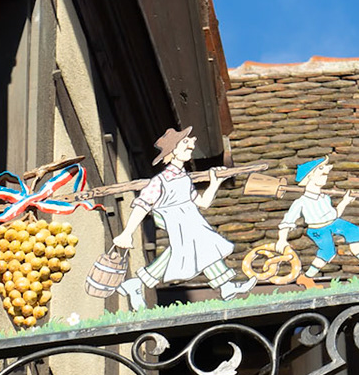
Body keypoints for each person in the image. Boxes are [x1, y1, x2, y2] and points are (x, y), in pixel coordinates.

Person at [110, 127, 256, 310]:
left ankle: (136, 283)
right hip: (176, 222)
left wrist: (214, 183)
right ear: (172, 152)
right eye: (184, 143)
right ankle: (225, 286)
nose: (190, 146)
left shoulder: (184, 178)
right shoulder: (160, 181)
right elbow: (142, 205)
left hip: (191, 221)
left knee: (196, 249)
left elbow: (202, 203)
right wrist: (127, 233)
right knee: (199, 246)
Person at [273, 157, 359, 285]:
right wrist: (282, 239)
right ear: (309, 177)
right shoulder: (301, 202)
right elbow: (288, 221)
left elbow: (334, 214)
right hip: (317, 229)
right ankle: (307, 277)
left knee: (352, 230)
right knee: (328, 251)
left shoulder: (325, 198)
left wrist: (345, 202)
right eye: (321, 172)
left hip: (333, 223)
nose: (325, 175)